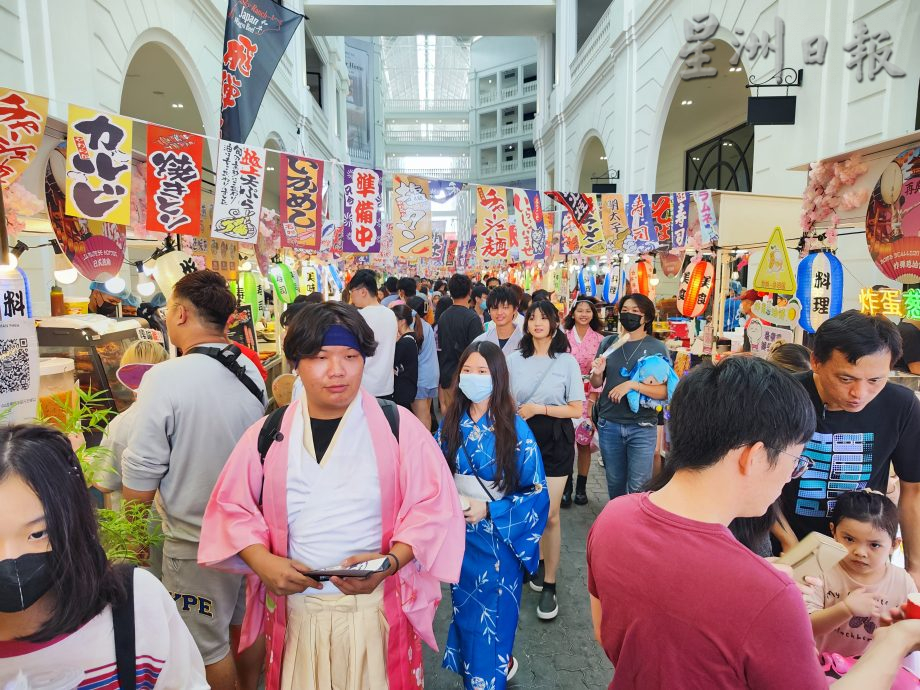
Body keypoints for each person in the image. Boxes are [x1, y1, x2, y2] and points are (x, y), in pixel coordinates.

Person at [587, 356, 920, 689]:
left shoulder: (614, 516)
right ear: (755, 456)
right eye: (795, 460)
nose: (791, 475)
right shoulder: (768, 594)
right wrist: (895, 640)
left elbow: (606, 633)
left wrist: (759, 578)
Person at [198, 301, 465, 690]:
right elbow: (230, 508)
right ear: (296, 364)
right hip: (297, 614)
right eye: (321, 357)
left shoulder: (399, 427)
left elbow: (434, 507)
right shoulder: (267, 433)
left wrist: (391, 561)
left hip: (375, 612)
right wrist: (262, 563)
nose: (337, 370)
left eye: (351, 356)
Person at [121, 270, 266, 690]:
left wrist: (130, 533)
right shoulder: (248, 367)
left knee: (203, 646)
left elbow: (142, 467)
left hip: (195, 541)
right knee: (242, 625)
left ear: (181, 314)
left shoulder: (165, 377)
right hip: (247, 534)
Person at [0, 424, 207, 688]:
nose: (9, 558)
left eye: (39, 533)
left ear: (73, 525)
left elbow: (105, 481)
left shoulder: (135, 606)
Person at [777, 311, 920, 585]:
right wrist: (789, 543)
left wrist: (915, 569)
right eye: (846, 379)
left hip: (864, 560)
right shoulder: (784, 397)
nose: (859, 393)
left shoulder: (902, 406)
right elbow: (755, 479)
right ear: (816, 361)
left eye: (875, 381)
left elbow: (913, 491)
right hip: (786, 549)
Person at [437, 341, 549, 688]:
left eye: (482, 371)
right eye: (467, 371)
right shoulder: (450, 423)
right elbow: (435, 475)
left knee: (494, 623)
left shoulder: (515, 429)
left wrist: (491, 508)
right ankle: (492, 669)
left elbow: (536, 493)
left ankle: (488, 679)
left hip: (499, 542)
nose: (473, 377)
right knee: (470, 619)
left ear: (497, 377)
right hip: (462, 542)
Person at [507, 301, 583, 621]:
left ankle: (550, 583)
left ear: (554, 322)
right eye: (532, 318)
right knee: (526, 508)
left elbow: (576, 410)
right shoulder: (513, 360)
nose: (537, 323)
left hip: (555, 439)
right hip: (522, 440)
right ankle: (535, 563)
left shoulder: (567, 362)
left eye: (544, 317)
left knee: (550, 514)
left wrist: (539, 409)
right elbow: (506, 402)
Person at [807, 491, 917, 663]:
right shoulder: (820, 569)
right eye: (849, 539)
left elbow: (911, 641)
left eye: (874, 545)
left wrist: (900, 631)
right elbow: (805, 625)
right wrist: (845, 609)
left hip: (872, 671)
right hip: (820, 667)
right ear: (833, 531)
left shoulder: (902, 581)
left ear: (894, 545)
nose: (860, 552)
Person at [589, 293, 671, 500]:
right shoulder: (608, 344)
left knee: (638, 485)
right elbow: (597, 383)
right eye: (625, 311)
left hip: (642, 426)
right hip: (610, 422)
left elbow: (664, 391)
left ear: (647, 317)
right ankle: (616, 525)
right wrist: (597, 373)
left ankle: (636, 528)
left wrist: (633, 385)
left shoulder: (657, 348)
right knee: (615, 482)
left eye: (635, 311)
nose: (629, 315)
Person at [97, 339, 170, 509]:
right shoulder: (180, 414)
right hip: (176, 522)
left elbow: (103, 483)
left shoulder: (121, 425)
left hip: (139, 528)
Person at [563, 296, 605, 507]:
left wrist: (593, 398)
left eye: (588, 311)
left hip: (589, 395)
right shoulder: (563, 337)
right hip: (566, 396)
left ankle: (581, 487)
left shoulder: (599, 339)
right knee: (567, 443)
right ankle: (566, 486)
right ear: (573, 313)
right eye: (579, 310)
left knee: (584, 441)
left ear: (593, 315)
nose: (583, 314)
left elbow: (600, 371)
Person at [437, 273, 484, 414]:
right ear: (470, 292)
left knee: (450, 415)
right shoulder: (472, 318)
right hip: (466, 375)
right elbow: (478, 350)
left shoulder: (443, 316)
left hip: (446, 372)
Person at [348, 269, 398, 399]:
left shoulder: (358, 317)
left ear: (363, 291)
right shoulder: (390, 314)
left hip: (363, 387)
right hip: (386, 387)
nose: (351, 297)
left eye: (351, 292)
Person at [407, 295, 440, 431]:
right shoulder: (427, 326)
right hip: (431, 376)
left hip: (420, 378)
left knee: (422, 417)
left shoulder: (413, 326)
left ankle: (425, 448)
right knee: (426, 413)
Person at [472, 285, 523, 356]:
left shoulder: (525, 342)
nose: (499, 312)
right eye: (494, 308)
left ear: (515, 309)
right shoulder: (480, 341)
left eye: (505, 307)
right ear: (489, 310)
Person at [392, 304, 420, 411]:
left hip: (402, 389)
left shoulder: (405, 342)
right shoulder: (411, 337)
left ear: (402, 321)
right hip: (408, 387)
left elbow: (393, 360)